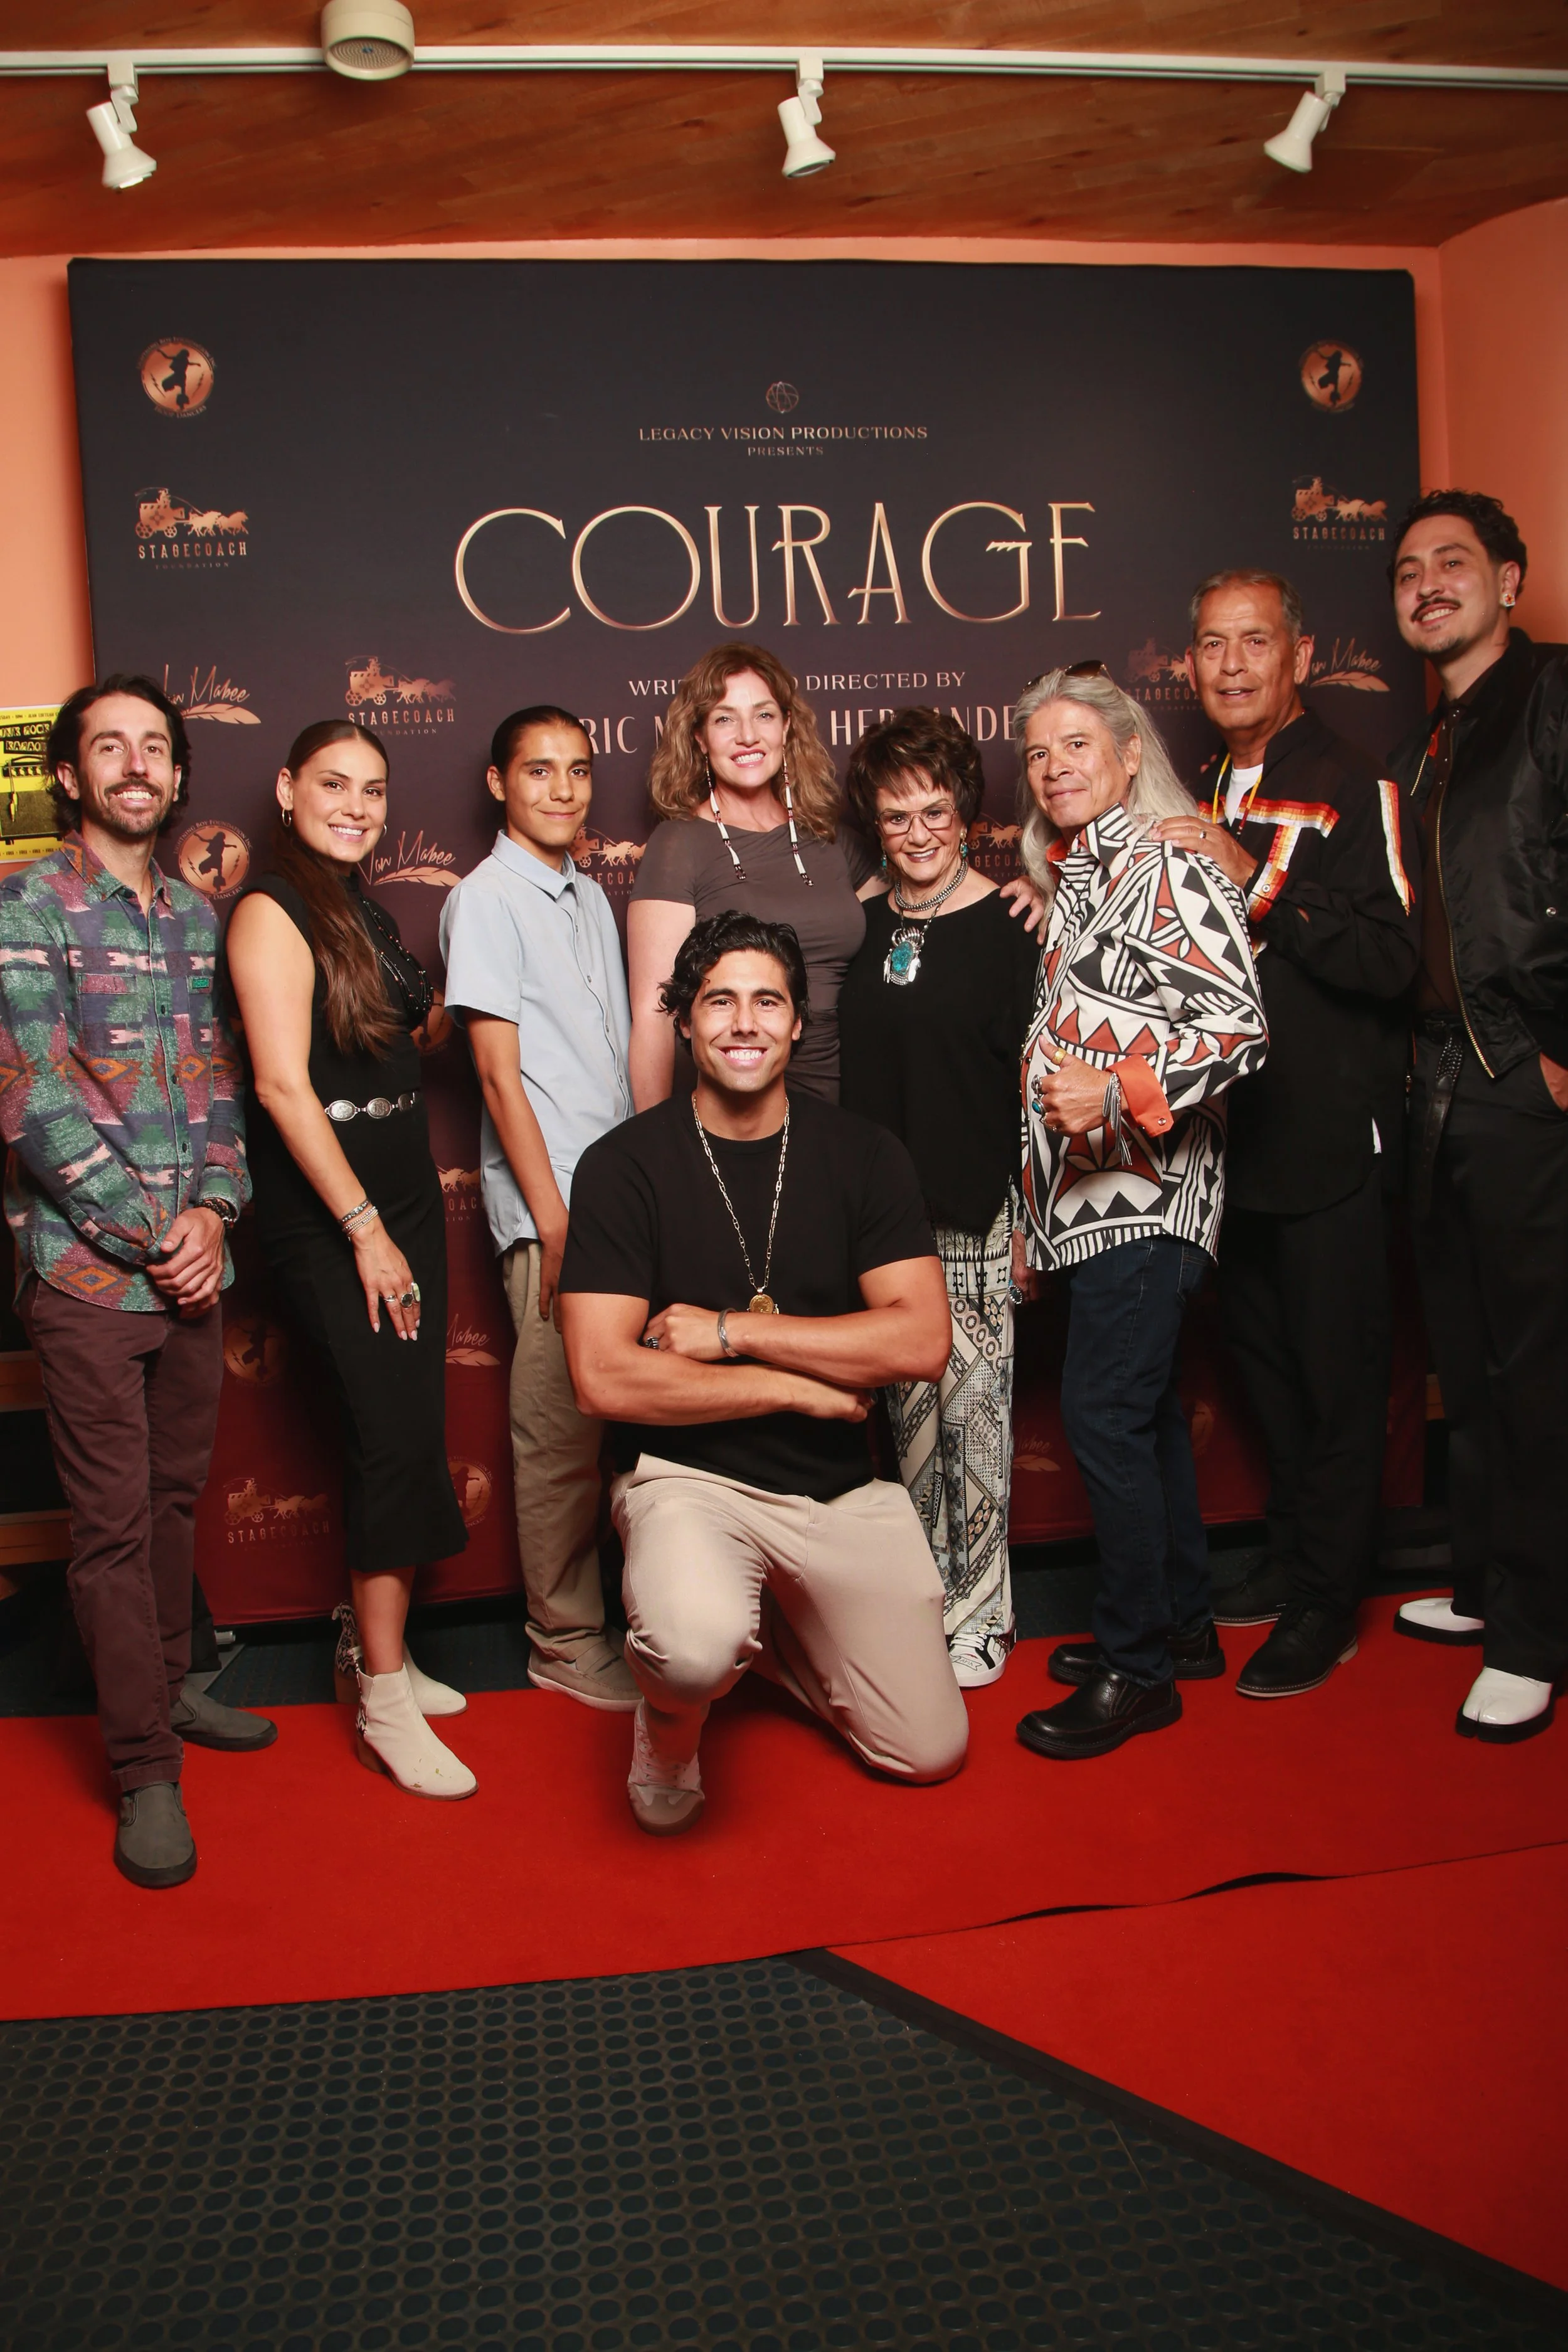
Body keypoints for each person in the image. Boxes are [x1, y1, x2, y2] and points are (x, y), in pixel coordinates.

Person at [558, 910, 967, 1835]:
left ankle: (774, 1635)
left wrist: (732, 1333)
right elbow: (602, 1379)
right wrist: (795, 1387)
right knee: (693, 1648)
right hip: (686, 1483)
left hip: (835, 1491)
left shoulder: (865, 1154)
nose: (744, 1022)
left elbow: (919, 1342)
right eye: (719, 1002)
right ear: (684, 1020)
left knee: (928, 1750)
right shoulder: (623, 1166)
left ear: (798, 1023)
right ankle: (672, 1722)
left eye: (767, 1002)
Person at [0, 674, 273, 1892]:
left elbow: (218, 1084)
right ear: (69, 775)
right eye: (108, 747)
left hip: (192, 1271)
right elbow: (31, 1099)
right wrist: (156, 1233)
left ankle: (168, 1686)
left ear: (175, 775)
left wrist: (216, 1210)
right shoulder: (28, 905)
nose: (134, 765)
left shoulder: (196, 920)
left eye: (154, 747)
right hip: (86, 1277)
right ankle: (143, 1767)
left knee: (171, 1502)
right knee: (110, 1529)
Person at [1150, 571, 1421, 1698]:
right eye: (1213, 645)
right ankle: (1301, 1553)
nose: (1231, 665)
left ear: (1298, 655)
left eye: (1253, 641)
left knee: (1337, 1379)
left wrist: (1254, 879)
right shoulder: (1211, 782)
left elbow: (1394, 959)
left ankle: (1328, 1599)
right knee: (1266, 1370)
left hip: (1330, 1140)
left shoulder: (1355, 781)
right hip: (1236, 1143)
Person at [1010, 667, 1267, 1761]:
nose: (1053, 767)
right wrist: (1032, 1217)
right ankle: (1181, 1625)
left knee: (1106, 1414)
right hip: (1088, 1206)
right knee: (1147, 1414)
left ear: (1127, 754)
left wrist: (1119, 1094)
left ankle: (1137, 1670)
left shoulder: (1171, 863)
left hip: (1153, 1197)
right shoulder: (1077, 881)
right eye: (1037, 752)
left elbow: (1242, 1029)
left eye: (1076, 745)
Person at [225, 722, 474, 1798]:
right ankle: (380, 1695)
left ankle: (386, 1654)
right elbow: (283, 1087)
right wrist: (366, 1228)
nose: (356, 806)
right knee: (386, 1433)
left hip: (403, 1190)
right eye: (334, 784)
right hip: (336, 1213)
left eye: (373, 790)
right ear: (288, 789)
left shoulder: (359, 908)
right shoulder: (271, 909)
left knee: (408, 1424)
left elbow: (406, 1029)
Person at [1387, 490, 1568, 1744]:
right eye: (1407, 571)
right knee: (1466, 1350)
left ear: (1509, 580)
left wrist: (1562, 1043)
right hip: (1442, 1081)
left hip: (1522, 1068)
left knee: (1535, 1367)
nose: (1426, 584)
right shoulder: (1430, 739)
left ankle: (1533, 1635)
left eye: (1452, 562)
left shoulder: (1551, 693)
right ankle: (1488, 1584)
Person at [438, 706, 638, 1710]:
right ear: (498, 783)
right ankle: (562, 1640)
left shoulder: (590, 896)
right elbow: (496, 1074)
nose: (563, 789)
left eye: (578, 770)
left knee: (628, 1422)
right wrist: (555, 1222)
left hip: (622, 1202)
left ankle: (639, 1618)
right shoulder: (484, 900)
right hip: (557, 1210)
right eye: (539, 770)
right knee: (559, 1432)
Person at [838, 709, 1040, 1685]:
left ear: (965, 812)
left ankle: (985, 1616)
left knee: (976, 1421)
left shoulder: (1012, 924)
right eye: (896, 815)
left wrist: (1028, 1224)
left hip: (975, 1208)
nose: (918, 833)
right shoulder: (858, 921)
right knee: (911, 1427)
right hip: (883, 1222)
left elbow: (1033, 1086)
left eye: (935, 811)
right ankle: (931, 1603)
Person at [626, 644, 876, 1106]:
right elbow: (654, 1015)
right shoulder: (679, 845)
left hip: (855, 1103)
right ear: (700, 737)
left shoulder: (831, 841)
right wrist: (655, 1138)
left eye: (763, 715)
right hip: (738, 1107)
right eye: (725, 719)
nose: (747, 736)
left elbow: (922, 907)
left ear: (786, 726)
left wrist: (1021, 888)